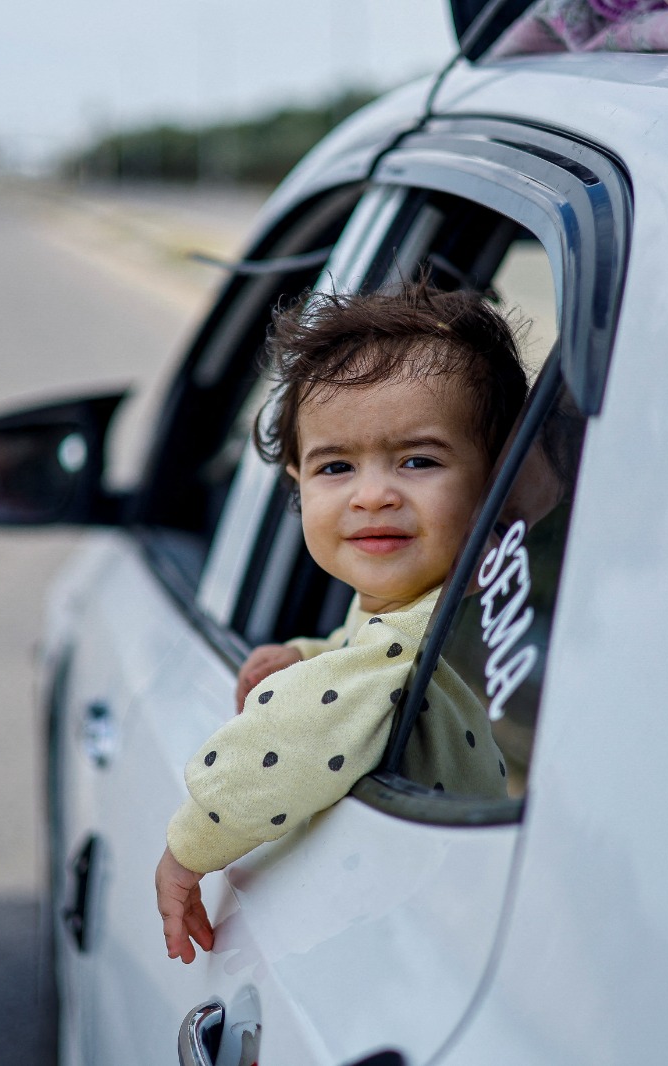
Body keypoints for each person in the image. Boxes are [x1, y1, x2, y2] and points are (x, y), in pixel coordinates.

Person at [155, 280, 528, 964]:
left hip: (423, 943)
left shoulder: (407, 644)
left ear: (500, 481)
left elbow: (291, 739)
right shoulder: (446, 608)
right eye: (335, 466)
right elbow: (360, 666)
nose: (374, 494)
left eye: (418, 460)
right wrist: (311, 652)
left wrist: (189, 846)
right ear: (297, 483)